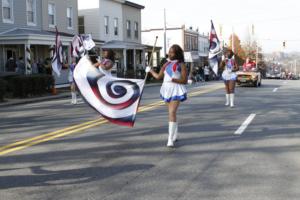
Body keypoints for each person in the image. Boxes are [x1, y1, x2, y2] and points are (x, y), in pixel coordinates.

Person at [146, 44, 188, 148]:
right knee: (171, 114)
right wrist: (150, 71)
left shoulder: (181, 64)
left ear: (177, 54)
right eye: (169, 51)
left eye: (172, 52)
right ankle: (175, 134)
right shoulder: (166, 64)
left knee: (172, 112)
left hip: (176, 89)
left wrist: (173, 79)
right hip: (166, 89)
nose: (169, 53)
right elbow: (159, 76)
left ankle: (170, 138)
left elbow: (184, 80)